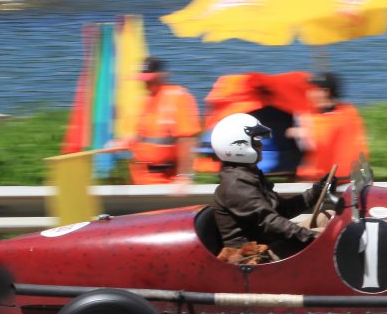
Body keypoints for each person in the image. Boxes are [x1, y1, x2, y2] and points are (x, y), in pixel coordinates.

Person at [209, 113, 336, 262]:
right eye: (255, 141)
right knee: (333, 235)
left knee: (330, 217)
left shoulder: (247, 175)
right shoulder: (236, 185)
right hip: (254, 256)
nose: (261, 145)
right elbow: (271, 222)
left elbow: (282, 210)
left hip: (268, 242)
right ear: (238, 145)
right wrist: (312, 236)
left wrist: (317, 191)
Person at [112, 57, 201, 186]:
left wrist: (184, 177)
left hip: (167, 181)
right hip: (140, 179)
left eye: (150, 80)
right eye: (144, 80)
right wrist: (123, 142)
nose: (146, 83)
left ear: (161, 76)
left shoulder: (178, 98)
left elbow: (187, 141)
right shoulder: (144, 100)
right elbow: (139, 134)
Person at [299, 72, 368, 181]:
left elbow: (319, 143)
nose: (308, 92)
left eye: (312, 89)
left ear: (325, 92)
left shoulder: (322, 120)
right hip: (352, 177)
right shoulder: (349, 110)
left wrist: (300, 132)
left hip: (324, 179)